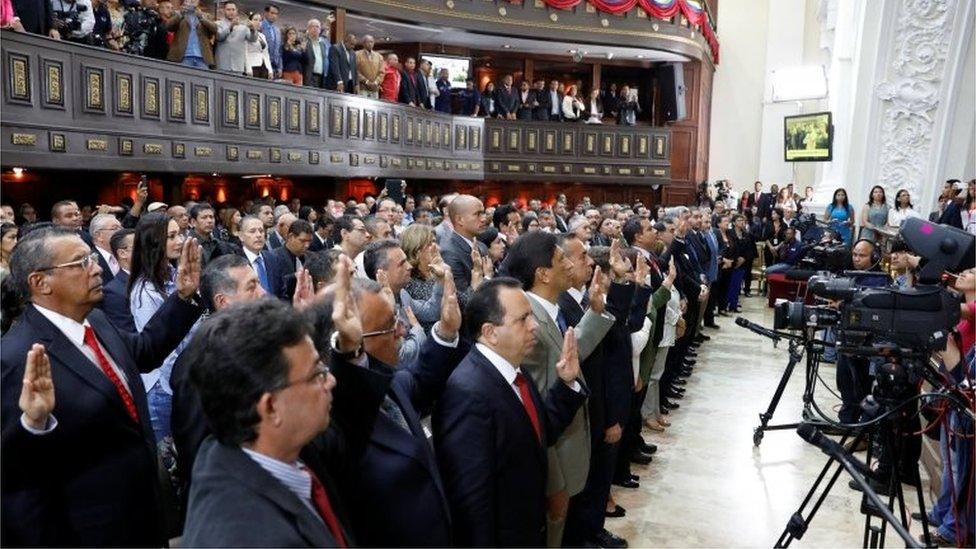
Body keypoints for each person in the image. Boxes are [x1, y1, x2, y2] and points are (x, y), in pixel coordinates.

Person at [1, 225, 202, 546]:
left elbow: (144, 351)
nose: (96, 268)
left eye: (92, 258)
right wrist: (33, 425)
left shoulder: (96, 319)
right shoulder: (16, 358)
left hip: (143, 515)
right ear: (40, 282)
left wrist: (183, 298)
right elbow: (13, 478)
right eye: (80, 263)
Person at [180, 298, 353, 547]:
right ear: (271, 407)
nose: (330, 381)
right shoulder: (258, 538)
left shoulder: (228, 450)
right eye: (317, 375)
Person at [434, 277, 587, 546]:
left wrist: (565, 384)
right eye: (523, 319)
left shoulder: (514, 369)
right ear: (491, 332)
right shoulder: (468, 393)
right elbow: (472, 501)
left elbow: (537, 433)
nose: (534, 326)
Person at [505, 232, 625, 547]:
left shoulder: (550, 309)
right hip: (556, 456)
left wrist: (596, 313)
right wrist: (554, 481)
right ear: (543, 273)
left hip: (573, 446)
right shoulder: (528, 316)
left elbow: (568, 356)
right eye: (562, 260)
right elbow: (539, 408)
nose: (571, 264)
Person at [439, 195, 488, 300]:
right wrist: (487, 278)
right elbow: (462, 300)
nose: (484, 219)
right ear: (459, 220)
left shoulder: (482, 246)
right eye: (477, 214)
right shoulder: (449, 253)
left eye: (483, 213)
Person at [101, 228, 136, 333]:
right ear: (122, 253)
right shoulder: (114, 292)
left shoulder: (154, 278)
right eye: (139, 246)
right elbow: (128, 335)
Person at [165, 0, 217, 69]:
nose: (192, 1)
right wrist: (181, 14)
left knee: (204, 79)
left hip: (202, 58)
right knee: (182, 78)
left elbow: (214, 29)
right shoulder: (177, 14)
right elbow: (168, 26)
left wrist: (201, 18)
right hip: (183, 57)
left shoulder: (206, 15)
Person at [268, 219, 312, 299]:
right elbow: (274, 285)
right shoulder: (273, 258)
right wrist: (294, 276)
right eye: (302, 241)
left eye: (309, 241)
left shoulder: (311, 257)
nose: (307, 245)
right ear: (291, 237)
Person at [214, 0, 257, 74]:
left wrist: (253, 30)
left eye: (233, 9)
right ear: (224, 11)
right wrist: (230, 27)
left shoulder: (243, 26)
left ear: (236, 11)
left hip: (238, 66)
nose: (231, 12)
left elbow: (252, 39)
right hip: (222, 65)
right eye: (228, 9)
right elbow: (219, 37)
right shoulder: (218, 24)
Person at [89, 213, 123, 287]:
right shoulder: (90, 261)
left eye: (121, 228)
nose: (121, 232)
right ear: (98, 235)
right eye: (115, 228)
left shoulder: (124, 254)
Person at [302, 18, 328, 88]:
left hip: (321, 77)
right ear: (308, 29)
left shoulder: (323, 45)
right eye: (313, 26)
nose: (315, 29)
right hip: (309, 76)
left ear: (320, 30)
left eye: (317, 27)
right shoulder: (305, 43)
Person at [244, 11, 272, 78]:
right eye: (255, 20)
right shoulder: (247, 34)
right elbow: (245, 52)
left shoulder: (262, 36)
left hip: (264, 66)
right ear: (250, 21)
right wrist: (248, 68)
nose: (258, 22)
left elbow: (266, 53)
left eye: (260, 20)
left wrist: (270, 70)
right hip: (253, 65)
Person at [356, 35, 384, 99]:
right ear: (363, 43)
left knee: (374, 107)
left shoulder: (379, 56)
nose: (370, 44)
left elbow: (382, 72)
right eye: (368, 42)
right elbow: (356, 71)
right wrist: (367, 82)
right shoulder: (357, 54)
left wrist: (376, 82)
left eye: (372, 42)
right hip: (362, 88)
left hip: (375, 88)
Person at [259, 3, 281, 78]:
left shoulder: (277, 30)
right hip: (261, 65)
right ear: (266, 13)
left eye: (276, 14)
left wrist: (280, 67)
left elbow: (279, 51)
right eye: (272, 13)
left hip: (274, 67)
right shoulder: (259, 26)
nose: (274, 16)